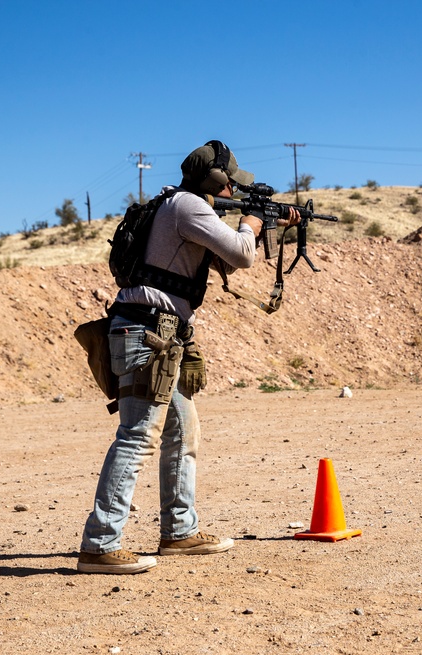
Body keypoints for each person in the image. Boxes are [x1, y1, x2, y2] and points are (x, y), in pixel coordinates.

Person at [77, 140, 300, 574]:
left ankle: (179, 531)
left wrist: (267, 225)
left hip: (163, 334)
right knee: (138, 434)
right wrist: (253, 222)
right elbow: (240, 253)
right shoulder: (187, 207)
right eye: (231, 181)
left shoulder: (182, 207)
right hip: (148, 334)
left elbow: (226, 263)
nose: (235, 188)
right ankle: (99, 543)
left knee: (182, 431)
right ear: (215, 180)